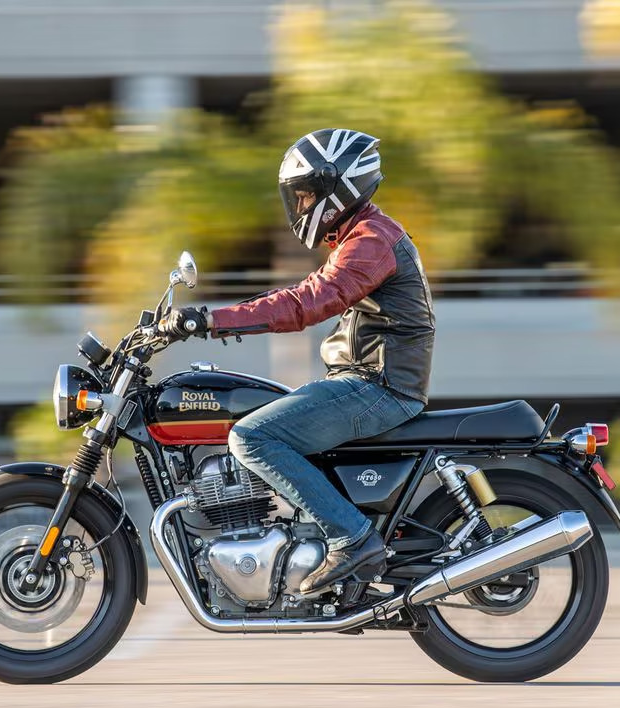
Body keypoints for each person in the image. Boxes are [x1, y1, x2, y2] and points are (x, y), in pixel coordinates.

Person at [159, 128, 435, 595]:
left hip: (378, 386)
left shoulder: (371, 240)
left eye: (307, 196)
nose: (301, 207)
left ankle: (351, 539)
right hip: (366, 381)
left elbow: (308, 303)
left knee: (250, 437)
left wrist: (210, 321)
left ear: (337, 188)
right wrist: (214, 319)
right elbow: (295, 296)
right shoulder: (357, 237)